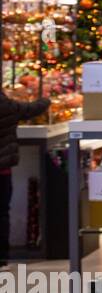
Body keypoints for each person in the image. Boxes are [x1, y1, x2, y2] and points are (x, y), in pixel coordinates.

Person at [0, 90, 49, 263]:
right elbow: (29, 109)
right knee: (2, 213)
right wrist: (45, 100)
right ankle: (2, 256)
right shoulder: (6, 104)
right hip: (3, 169)